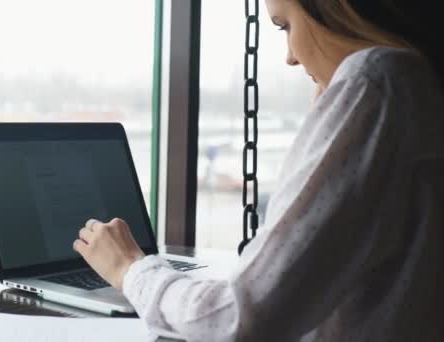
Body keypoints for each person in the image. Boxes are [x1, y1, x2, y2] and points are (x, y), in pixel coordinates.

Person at [72, 1, 444, 341]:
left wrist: (129, 269)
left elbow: (241, 317)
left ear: (334, 10)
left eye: (284, 26)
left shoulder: (378, 82)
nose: (290, 58)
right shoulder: (414, 88)